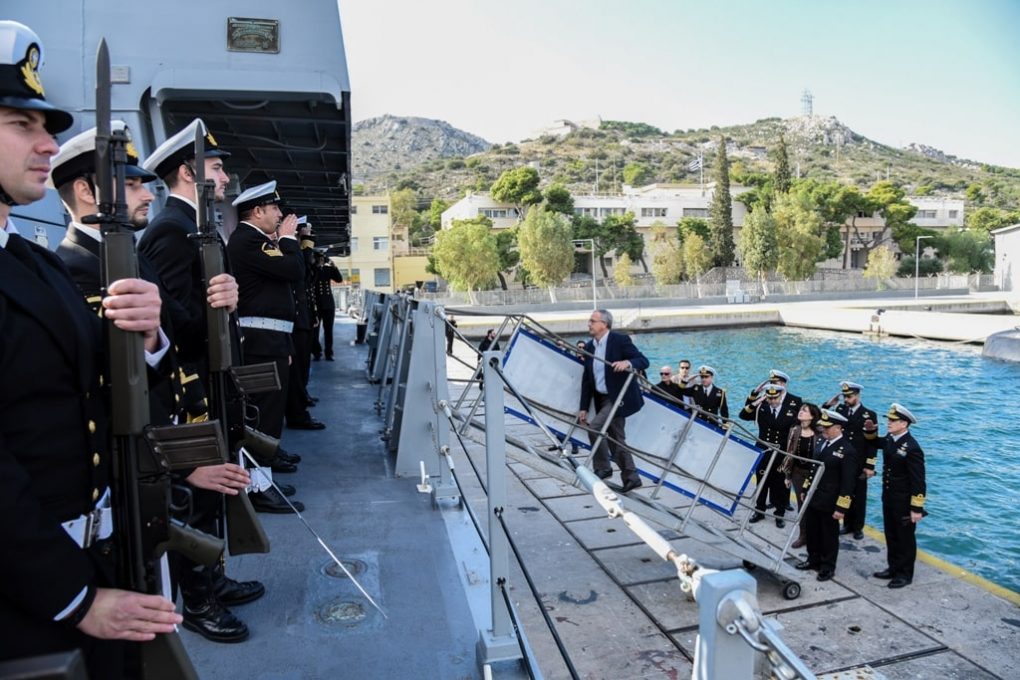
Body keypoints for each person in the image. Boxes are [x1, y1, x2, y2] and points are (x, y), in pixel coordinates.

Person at [0, 20, 180, 675]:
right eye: (21, 124)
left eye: (45, 126)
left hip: (96, 555)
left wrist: (149, 335)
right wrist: (73, 596)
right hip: (31, 596)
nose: (47, 143)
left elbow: (97, 386)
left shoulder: (35, 263)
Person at [48, 123, 262, 643]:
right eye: (131, 184)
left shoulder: (134, 254)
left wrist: (219, 307)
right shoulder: (71, 268)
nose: (148, 193)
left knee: (187, 516)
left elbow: (169, 339)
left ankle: (208, 587)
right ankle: (201, 602)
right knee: (162, 541)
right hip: (138, 441)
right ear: (86, 191)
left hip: (173, 412)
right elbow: (104, 382)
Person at [226, 181, 303, 444]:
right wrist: (287, 239)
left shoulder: (253, 240)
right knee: (264, 409)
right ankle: (261, 467)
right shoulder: (249, 241)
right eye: (274, 208)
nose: (280, 215)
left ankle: (269, 457)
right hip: (261, 342)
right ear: (258, 211)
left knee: (272, 406)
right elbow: (294, 270)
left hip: (270, 339)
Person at [577, 309, 649, 492]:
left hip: (617, 398)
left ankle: (603, 468)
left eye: (592, 321)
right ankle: (631, 478)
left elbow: (643, 360)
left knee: (595, 428)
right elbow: (587, 380)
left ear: (604, 324)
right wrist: (583, 407)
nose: (589, 324)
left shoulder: (619, 340)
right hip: (601, 398)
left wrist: (627, 363)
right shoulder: (590, 347)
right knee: (616, 439)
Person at [867, 403, 926, 589]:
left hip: (904, 501)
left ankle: (905, 574)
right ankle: (893, 568)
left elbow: (918, 480)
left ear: (904, 424)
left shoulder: (912, 447)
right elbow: (875, 443)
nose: (889, 423)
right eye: (889, 420)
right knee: (891, 535)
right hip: (889, 497)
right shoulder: (891, 439)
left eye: (893, 420)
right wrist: (869, 430)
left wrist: (916, 508)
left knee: (905, 539)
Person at [795, 409, 857, 581]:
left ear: (838, 428)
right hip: (814, 496)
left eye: (828, 427)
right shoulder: (822, 441)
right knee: (812, 530)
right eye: (823, 427)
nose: (824, 430)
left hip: (830, 500)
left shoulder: (847, 451)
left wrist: (841, 507)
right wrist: (805, 489)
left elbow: (848, 482)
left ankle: (828, 566)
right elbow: (813, 469)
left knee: (828, 535)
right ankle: (813, 559)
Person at [824, 381, 878, 540]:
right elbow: (824, 419)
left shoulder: (869, 414)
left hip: (859, 460)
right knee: (844, 491)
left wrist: (870, 466)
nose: (846, 399)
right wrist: (828, 405)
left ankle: (858, 527)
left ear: (857, 395)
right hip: (842, 458)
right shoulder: (840, 410)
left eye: (850, 396)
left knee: (859, 495)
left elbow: (872, 442)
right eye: (845, 396)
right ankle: (847, 523)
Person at [285, 218, 325, 431]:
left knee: (302, 366)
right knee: (297, 369)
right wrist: (304, 239)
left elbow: (309, 278)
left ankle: (301, 399)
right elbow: (302, 269)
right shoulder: (289, 251)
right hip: (295, 319)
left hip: (303, 316)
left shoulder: (297, 253)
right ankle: (297, 412)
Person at [740, 383, 798, 526]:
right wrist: (757, 401)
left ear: (780, 396)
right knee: (761, 483)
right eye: (769, 398)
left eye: (775, 398)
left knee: (779, 485)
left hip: (780, 454)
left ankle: (779, 514)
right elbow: (743, 415)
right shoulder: (762, 408)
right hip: (764, 451)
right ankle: (759, 510)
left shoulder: (790, 412)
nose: (772, 401)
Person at [782, 402, 822, 549]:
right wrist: (787, 475)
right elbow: (789, 453)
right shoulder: (794, 430)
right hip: (798, 473)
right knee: (801, 504)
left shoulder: (819, 434)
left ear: (812, 416)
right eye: (800, 409)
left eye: (804, 411)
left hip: (815, 474)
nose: (800, 412)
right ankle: (803, 535)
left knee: (816, 505)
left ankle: (816, 535)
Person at [311, 251, 343, 360]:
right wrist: (315, 266)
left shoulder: (328, 269)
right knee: (315, 330)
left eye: (322, 258)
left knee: (328, 330)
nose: (321, 260)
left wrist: (334, 266)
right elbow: (311, 280)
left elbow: (339, 279)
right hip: (316, 304)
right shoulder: (312, 270)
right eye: (319, 258)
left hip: (328, 304)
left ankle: (329, 353)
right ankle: (316, 352)